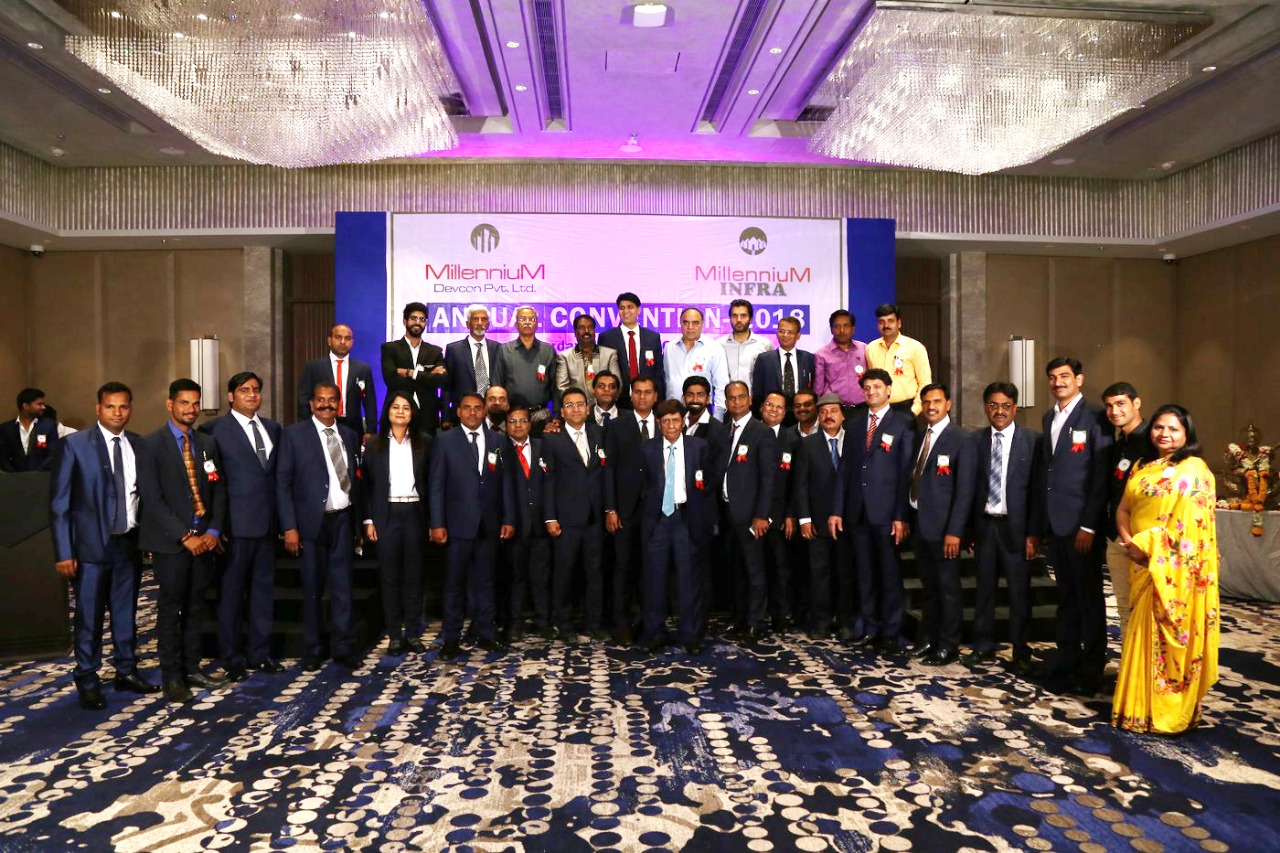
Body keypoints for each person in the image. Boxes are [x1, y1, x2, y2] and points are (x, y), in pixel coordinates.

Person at [50, 382, 158, 710]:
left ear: (130, 409)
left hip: (128, 545)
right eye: (110, 406)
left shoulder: (139, 444)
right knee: (89, 617)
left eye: (123, 406)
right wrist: (64, 551)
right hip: (89, 549)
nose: (117, 413)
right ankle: (87, 678)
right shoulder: (75, 445)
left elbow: (145, 496)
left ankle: (126, 671)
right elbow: (59, 504)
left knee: (126, 614)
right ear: (98, 409)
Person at [1113, 404, 1219, 734]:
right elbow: (1123, 508)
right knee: (1138, 629)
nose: (1164, 434)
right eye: (1159, 427)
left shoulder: (1195, 470)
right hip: (1138, 562)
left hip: (1176, 573)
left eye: (1173, 429)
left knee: (1170, 638)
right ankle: (1138, 709)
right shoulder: (1142, 467)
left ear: (1187, 433)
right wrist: (1129, 541)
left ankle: (1168, 712)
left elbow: (1194, 528)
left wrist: (1149, 546)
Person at [137, 379, 228, 703]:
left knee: (195, 607)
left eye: (195, 403)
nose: (191, 409)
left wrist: (213, 531)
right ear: (170, 404)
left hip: (204, 541)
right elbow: (152, 499)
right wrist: (185, 536)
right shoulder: (151, 445)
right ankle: (172, 677)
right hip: (172, 544)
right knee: (171, 609)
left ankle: (192, 668)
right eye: (184, 403)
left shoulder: (206, 443)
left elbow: (218, 490)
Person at [277, 382, 365, 671]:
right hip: (310, 523)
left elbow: (357, 479)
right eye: (320, 400)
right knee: (312, 588)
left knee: (343, 587)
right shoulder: (293, 435)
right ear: (311, 404)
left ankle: (344, 647)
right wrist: (289, 527)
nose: (326, 405)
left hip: (343, 520)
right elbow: (283, 484)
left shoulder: (349, 434)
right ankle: (313, 649)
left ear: (339, 404)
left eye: (332, 400)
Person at [203, 371, 283, 681]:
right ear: (230, 396)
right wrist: (215, 525)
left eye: (256, 390)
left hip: (267, 526)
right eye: (244, 390)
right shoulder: (214, 431)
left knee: (263, 594)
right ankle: (232, 658)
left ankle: (259, 654)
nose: (252, 395)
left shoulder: (273, 429)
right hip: (233, 528)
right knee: (232, 598)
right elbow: (211, 484)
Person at [1038, 356, 1112, 693]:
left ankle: (1093, 665)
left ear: (1079, 379)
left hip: (1083, 527)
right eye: (1053, 377)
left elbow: (1100, 476)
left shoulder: (1096, 416)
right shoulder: (1048, 417)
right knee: (1066, 594)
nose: (1058, 382)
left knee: (1089, 597)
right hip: (1057, 523)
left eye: (1064, 376)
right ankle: (1067, 656)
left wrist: (1090, 525)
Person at [829, 368, 913, 654]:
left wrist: (901, 515)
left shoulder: (903, 423)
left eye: (877, 386)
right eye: (867, 388)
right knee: (864, 574)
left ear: (888, 389)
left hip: (887, 513)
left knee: (889, 574)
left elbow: (905, 473)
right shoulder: (854, 423)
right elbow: (845, 469)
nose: (871, 391)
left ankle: (891, 632)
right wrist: (837, 510)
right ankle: (868, 627)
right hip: (857, 511)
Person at [428, 392, 515, 660]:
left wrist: (508, 518)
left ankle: (486, 634)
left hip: (489, 524)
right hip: (456, 525)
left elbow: (506, 483)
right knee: (454, 585)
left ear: (485, 410)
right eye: (467, 408)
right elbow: (436, 485)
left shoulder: (498, 440)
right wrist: (437, 523)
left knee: (486, 582)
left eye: (478, 408)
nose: (473, 413)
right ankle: (451, 639)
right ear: (458, 412)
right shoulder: (445, 440)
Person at [965, 382, 1041, 676]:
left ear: (1015, 408)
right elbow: (970, 489)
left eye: (1006, 406)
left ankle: (1021, 650)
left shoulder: (1032, 441)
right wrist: (969, 531)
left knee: (1019, 594)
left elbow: (1036, 492)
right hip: (985, 527)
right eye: (993, 406)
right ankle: (982, 646)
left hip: (1017, 530)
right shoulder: (975, 441)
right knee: (984, 591)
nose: (999, 411)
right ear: (986, 408)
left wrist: (1034, 533)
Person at [638, 400, 715, 654]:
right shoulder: (647, 449)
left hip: (686, 518)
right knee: (654, 579)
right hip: (658, 520)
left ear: (683, 422)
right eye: (665, 421)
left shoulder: (699, 447)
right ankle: (654, 632)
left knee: (688, 579)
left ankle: (690, 634)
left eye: (675, 420)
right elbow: (642, 485)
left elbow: (708, 486)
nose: (671, 425)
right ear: (659, 424)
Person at [906, 383, 974, 666]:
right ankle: (928, 639)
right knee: (929, 587)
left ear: (948, 404)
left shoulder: (961, 439)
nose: (931, 406)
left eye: (936, 401)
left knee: (948, 589)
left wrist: (955, 531)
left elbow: (965, 491)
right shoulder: (921, 436)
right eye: (926, 402)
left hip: (945, 529)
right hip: (921, 524)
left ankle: (948, 645)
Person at [362, 393, 433, 656]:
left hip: (414, 512)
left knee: (414, 576)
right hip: (387, 513)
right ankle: (394, 634)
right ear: (388, 412)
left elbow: (432, 483)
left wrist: (433, 521)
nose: (401, 411)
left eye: (406, 408)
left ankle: (413, 633)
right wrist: (369, 519)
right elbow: (366, 485)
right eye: (395, 407)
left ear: (413, 413)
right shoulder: (375, 444)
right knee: (390, 577)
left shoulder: (425, 442)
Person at [543, 387, 608, 641]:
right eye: (569, 405)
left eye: (580, 404)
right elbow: (548, 480)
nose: (576, 409)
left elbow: (605, 472)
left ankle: (594, 624)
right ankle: (564, 625)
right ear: (562, 411)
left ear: (588, 408)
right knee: (565, 574)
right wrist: (550, 517)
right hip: (566, 519)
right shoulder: (552, 439)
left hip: (595, 518)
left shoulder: (598, 433)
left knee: (595, 573)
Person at [717, 380, 778, 641]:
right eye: (732, 398)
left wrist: (762, 515)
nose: (737, 402)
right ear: (726, 402)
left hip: (752, 515)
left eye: (741, 397)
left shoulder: (761, 432)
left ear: (750, 400)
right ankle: (738, 617)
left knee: (754, 570)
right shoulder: (724, 431)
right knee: (735, 570)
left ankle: (755, 621)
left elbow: (768, 478)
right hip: (727, 512)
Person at [603, 376, 659, 646]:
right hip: (624, 511)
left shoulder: (666, 423)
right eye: (638, 392)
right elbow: (609, 469)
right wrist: (610, 508)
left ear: (655, 396)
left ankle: (650, 622)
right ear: (631, 395)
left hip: (656, 511)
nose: (642, 397)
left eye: (647, 392)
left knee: (651, 569)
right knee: (623, 568)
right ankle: (622, 624)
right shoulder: (616, 426)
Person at [794, 393, 849, 639]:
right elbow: (801, 484)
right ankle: (821, 623)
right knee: (820, 574)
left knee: (846, 573)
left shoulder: (855, 441)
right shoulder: (808, 444)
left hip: (848, 521)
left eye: (833, 411)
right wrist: (804, 519)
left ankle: (846, 621)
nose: (828, 416)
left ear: (843, 415)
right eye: (824, 412)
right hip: (817, 521)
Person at [1101, 382, 1150, 637]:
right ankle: (1129, 661)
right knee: (1124, 606)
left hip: (1142, 540)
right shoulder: (1118, 443)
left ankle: (1146, 662)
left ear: (1136, 403)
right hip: (1117, 536)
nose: (1114, 411)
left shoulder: (1152, 442)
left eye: (1120, 403)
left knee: (1146, 607)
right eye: (1109, 406)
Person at [501, 404, 551, 640]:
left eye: (522, 421)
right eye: (513, 421)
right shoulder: (500, 450)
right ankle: (514, 623)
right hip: (514, 525)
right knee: (515, 578)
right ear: (506, 426)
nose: (518, 425)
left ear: (530, 425)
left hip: (541, 524)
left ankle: (543, 621)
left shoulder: (544, 446)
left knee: (541, 578)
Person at [758, 391, 800, 631]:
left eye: (779, 407)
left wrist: (791, 514)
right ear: (761, 407)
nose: (774, 410)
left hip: (781, 516)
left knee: (780, 568)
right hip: (753, 515)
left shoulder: (792, 439)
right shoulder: (750, 433)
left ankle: (780, 615)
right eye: (769, 405)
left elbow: (797, 482)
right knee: (752, 567)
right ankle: (752, 614)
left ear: (785, 413)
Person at [297, 324, 378, 439]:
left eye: (347, 338)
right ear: (329, 341)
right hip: (321, 425)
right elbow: (304, 400)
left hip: (353, 428)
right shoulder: (314, 367)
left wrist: (371, 430)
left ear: (352, 342)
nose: (343, 342)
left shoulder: (362, 369)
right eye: (338, 337)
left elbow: (370, 402)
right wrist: (305, 427)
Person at [381, 301, 448, 432]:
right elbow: (391, 380)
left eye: (422, 319)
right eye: (413, 318)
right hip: (398, 416)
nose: (418, 322)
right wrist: (428, 377)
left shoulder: (435, 351)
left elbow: (441, 380)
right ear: (405, 321)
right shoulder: (390, 348)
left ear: (426, 323)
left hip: (427, 419)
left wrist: (410, 373)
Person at [865, 303, 931, 419]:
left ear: (899, 323)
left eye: (890, 321)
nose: (886, 325)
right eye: (882, 322)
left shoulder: (915, 347)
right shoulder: (871, 348)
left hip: (906, 408)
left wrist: (914, 411)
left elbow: (925, 383)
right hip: (879, 409)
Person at [598, 292, 664, 405]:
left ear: (638, 310)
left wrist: (659, 402)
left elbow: (658, 373)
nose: (626, 311)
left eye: (630, 307)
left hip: (646, 400)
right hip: (618, 401)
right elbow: (603, 372)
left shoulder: (652, 337)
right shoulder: (607, 338)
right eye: (622, 308)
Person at [444, 304, 504, 425]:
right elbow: (447, 386)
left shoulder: (498, 348)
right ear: (468, 324)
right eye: (476, 319)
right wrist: (446, 417)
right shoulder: (454, 350)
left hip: (493, 413)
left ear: (488, 324)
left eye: (484, 319)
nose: (480, 323)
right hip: (463, 414)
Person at [498, 306, 558, 425]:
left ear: (537, 324)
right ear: (516, 324)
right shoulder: (504, 350)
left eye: (532, 319)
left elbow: (555, 387)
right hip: (513, 414)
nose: (527, 322)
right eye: (522, 319)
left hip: (541, 414)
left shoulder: (548, 350)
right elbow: (498, 383)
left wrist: (557, 415)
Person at [664, 307, 728, 412]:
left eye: (695, 323)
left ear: (702, 324)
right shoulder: (670, 347)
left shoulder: (714, 348)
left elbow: (721, 385)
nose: (690, 327)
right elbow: (666, 380)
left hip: (701, 409)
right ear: (680, 323)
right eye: (686, 322)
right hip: (673, 410)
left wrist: (718, 416)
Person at [752, 316, 814, 419]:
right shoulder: (764, 359)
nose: (785, 335)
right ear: (777, 333)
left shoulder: (808, 358)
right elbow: (757, 392)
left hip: (800, 413)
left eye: (790, 332)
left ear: (798, 335)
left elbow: (814, 388)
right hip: (773, 415)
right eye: (782, 331)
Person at [555, 313, 620, 408]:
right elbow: (562, 389)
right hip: (577, 410)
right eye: (582, 328)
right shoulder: (565, 357)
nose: (586, 331)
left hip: (605, 408)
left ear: (594, 331)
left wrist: (602, 406)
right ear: (575, 333)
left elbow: (617, 385)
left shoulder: (610, 354)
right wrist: (579, 406)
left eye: (590, 327)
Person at [813, 310, 868, 417]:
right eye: (837, 326)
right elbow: (818, 389)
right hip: (834, 410)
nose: (842, 330)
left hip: (863, 408)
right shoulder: (821, 355)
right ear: (831, 330)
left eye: (846, 326)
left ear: (853, 329)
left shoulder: (864, 349)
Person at [1, 387, 62, 472]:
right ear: (26, 406)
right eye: (39, 404)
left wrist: (36, 474)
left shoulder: (48, 425)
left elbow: (53, 453)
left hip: (42, 475)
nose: (43, 407)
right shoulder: (6, 428)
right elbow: (2, 456)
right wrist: (14, 475)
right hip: (14, 477)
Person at [720, 299, 772, 396]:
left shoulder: (764, 345)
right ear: (730, 318)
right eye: (734, 316)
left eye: (743, 316)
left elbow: (770, 377)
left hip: (755, 401)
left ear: (750, 318)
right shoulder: (719, 345)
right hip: (726, 401)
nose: (739, 320)